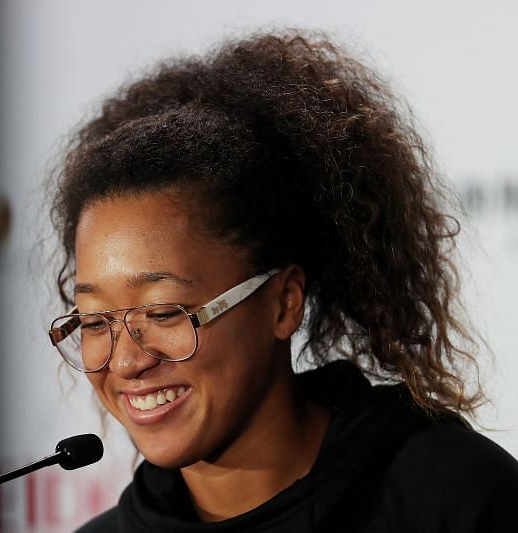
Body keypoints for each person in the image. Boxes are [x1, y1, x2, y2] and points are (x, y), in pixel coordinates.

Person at [45, 30, 518, 532]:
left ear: (284, 302)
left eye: (163, 313)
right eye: (95, 322)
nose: (126, 360)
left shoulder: (454, 500)